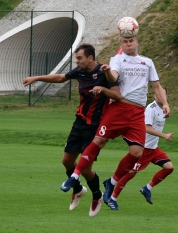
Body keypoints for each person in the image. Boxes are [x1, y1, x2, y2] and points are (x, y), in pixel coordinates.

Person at [60, 22, 171, 215]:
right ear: (121, 42)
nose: (129, 43)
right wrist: (106, 72)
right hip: (120, 107)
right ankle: (75, 176)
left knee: (137, 153)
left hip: (137, 112)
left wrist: (165, 103)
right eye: (125, 41)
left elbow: (156, 87)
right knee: (99, 140)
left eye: (131, 40)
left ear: (136, 41)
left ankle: (110, 183)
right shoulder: (117, 59)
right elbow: (113, 77)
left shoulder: (148, 62)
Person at [23, 43, 121, 217]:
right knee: (67, 161)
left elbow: (117, 96)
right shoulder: (80, 71)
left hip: (95, 126)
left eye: (79, 58)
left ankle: (97, 195)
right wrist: (36, 78)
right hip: (79, 123)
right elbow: (61, 78)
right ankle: (78, 189)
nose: (77, 61)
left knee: (85, 168)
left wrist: (103, 89)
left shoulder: (105, 72)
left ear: (90, 58)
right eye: (76, 58)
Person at [107, 86, 174, 210]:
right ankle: (112, 198)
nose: (159, 96)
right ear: (154, 95)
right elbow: (146, 128)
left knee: (169, 167)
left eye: (162, 94)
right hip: (144, 148)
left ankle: (147, 188)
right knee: (130, 173)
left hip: (153, 148)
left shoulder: (164, 107)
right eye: (157, 93)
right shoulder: (151, 109)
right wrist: (164, 135)